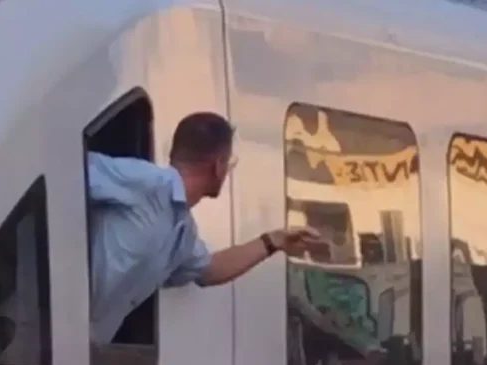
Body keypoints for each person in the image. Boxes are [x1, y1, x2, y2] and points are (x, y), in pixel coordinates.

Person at [86, 111, 322, 344]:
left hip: (83, 345)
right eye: (229, 164)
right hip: (65, 328)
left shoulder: (182, 231)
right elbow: (70, 170)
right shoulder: (146, 182)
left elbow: (210, 270)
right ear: (218, 166)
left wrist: (273, 241)